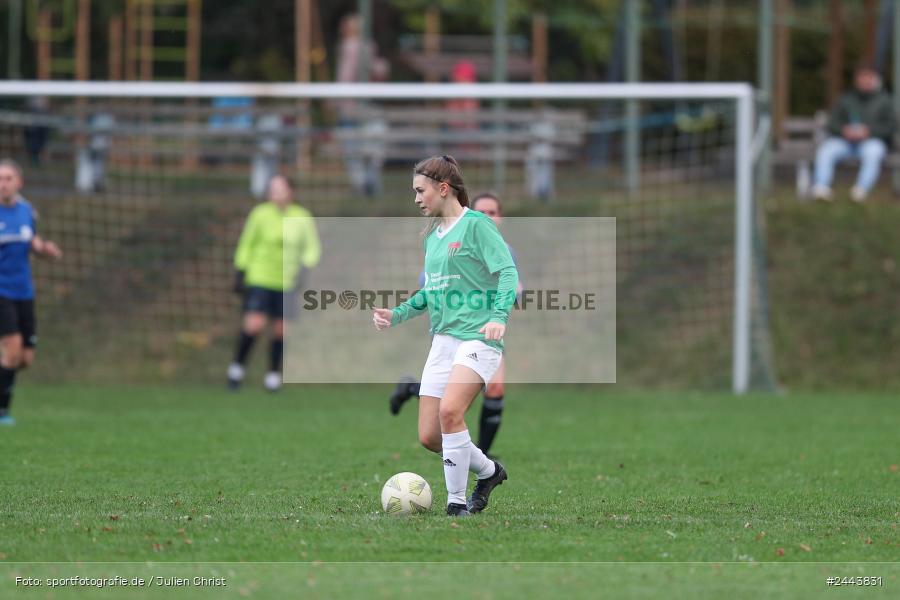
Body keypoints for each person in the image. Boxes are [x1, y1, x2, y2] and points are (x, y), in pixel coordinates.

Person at [373, 156, 519, 517]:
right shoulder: (432, 239)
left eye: (420, 190)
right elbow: (430, 292)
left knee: (451, 412)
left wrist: (498, 317)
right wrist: (397, 314)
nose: (417, 198)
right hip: (443, 341)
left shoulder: (477, 225)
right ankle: (489, 472)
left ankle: (456, 504)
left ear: (443, 188)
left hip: (479, 338)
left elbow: (508, 272)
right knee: (429, 436)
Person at [389, 192, 521, 459]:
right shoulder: (453, 238)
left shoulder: (506, 251)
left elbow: (512, 284)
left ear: (501, 217)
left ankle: (483, 454)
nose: (487, 217)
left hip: (487, 333)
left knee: (493, 389)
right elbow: (429, 282)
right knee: (451, 401)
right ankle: (415, 391)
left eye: (492, 212)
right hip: (452, 331)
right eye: (481, 212)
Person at [227, 174, 321, 392]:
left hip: (287, 282)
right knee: (254, 325)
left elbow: (311, 248)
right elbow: (247, 243)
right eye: (272, 189)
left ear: (290, 191)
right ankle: (236, 369)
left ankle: (272, 376)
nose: (275, 193)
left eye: (280, 189)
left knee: (281, 330)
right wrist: (241, 270)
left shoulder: (302, 216)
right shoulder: (260, 214)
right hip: (260, 277)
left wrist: (304, 270)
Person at [0, 159, 63, 426]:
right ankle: (2, 411)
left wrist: (45, 249)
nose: (3, 184)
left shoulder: (27, 211)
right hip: (1, 291)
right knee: (12, 351)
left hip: (24, 291)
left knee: (24, 358)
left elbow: (33, 242)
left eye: (8, 178)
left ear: (19, 183)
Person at [812, 64, 896, 203]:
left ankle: (860, 191)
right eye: (862, 77)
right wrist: (844, 131)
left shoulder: (884, 100)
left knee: (873, 152)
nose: (865, 81)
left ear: (875, 79)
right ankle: (821, 188)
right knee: (826, 150)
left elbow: (891, 126)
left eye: (868, 77)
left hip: (871, 141)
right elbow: (832, 123)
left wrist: (869, 132)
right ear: (856, 80)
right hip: (846, 142)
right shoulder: (846, 99)